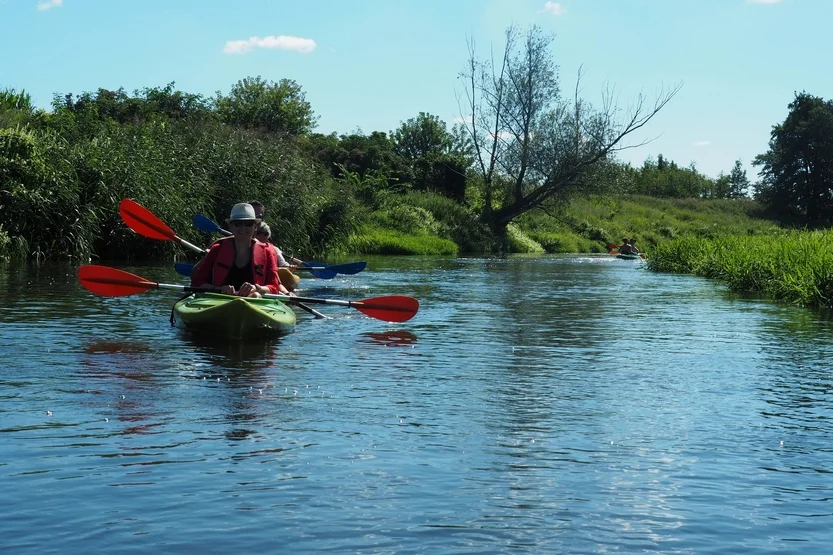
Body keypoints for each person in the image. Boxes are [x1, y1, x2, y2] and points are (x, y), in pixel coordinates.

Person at [190, 203, 290, 297]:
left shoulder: (267, 252)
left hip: (255, 300)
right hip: (220, 299)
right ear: (231, 226)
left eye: (248, 224)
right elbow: (197, 283)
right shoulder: (217, 249)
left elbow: (274, 287)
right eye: (238, 224)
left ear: (255, 227)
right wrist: (219, 288)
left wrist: (257, 288)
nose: (243, 228)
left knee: (255, 296)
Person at [248, 200, 304, 267]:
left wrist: (289, 268)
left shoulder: (271, 249)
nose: (255, 219)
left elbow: (284, 266)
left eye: (259, 216)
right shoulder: (233, 244)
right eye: (252, 215)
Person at [256, 221, 301, 292]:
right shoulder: (250, 248)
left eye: (265, 234)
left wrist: (290, 267)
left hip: (275, 277)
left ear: (268, 235)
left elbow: (284, 264)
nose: (262, 236)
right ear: (255, 234)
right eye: (259, 233)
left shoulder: (275, 249)